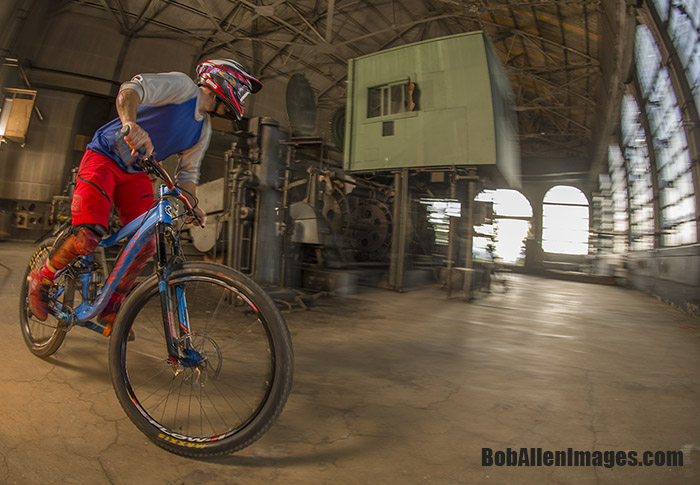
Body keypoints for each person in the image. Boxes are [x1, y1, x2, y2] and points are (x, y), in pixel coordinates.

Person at [28, 59, 262, 336]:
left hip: (137, 172)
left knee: (147, 245)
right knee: (88, 236)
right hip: (105, 156)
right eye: (241, 90)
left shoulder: (203, 130)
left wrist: (192, 203)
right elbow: (131, 90)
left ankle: (111, 309)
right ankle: (41, 279)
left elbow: (189, 171)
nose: (241, 99)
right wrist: (130, 124)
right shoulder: (183, 87)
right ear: (224, 81)